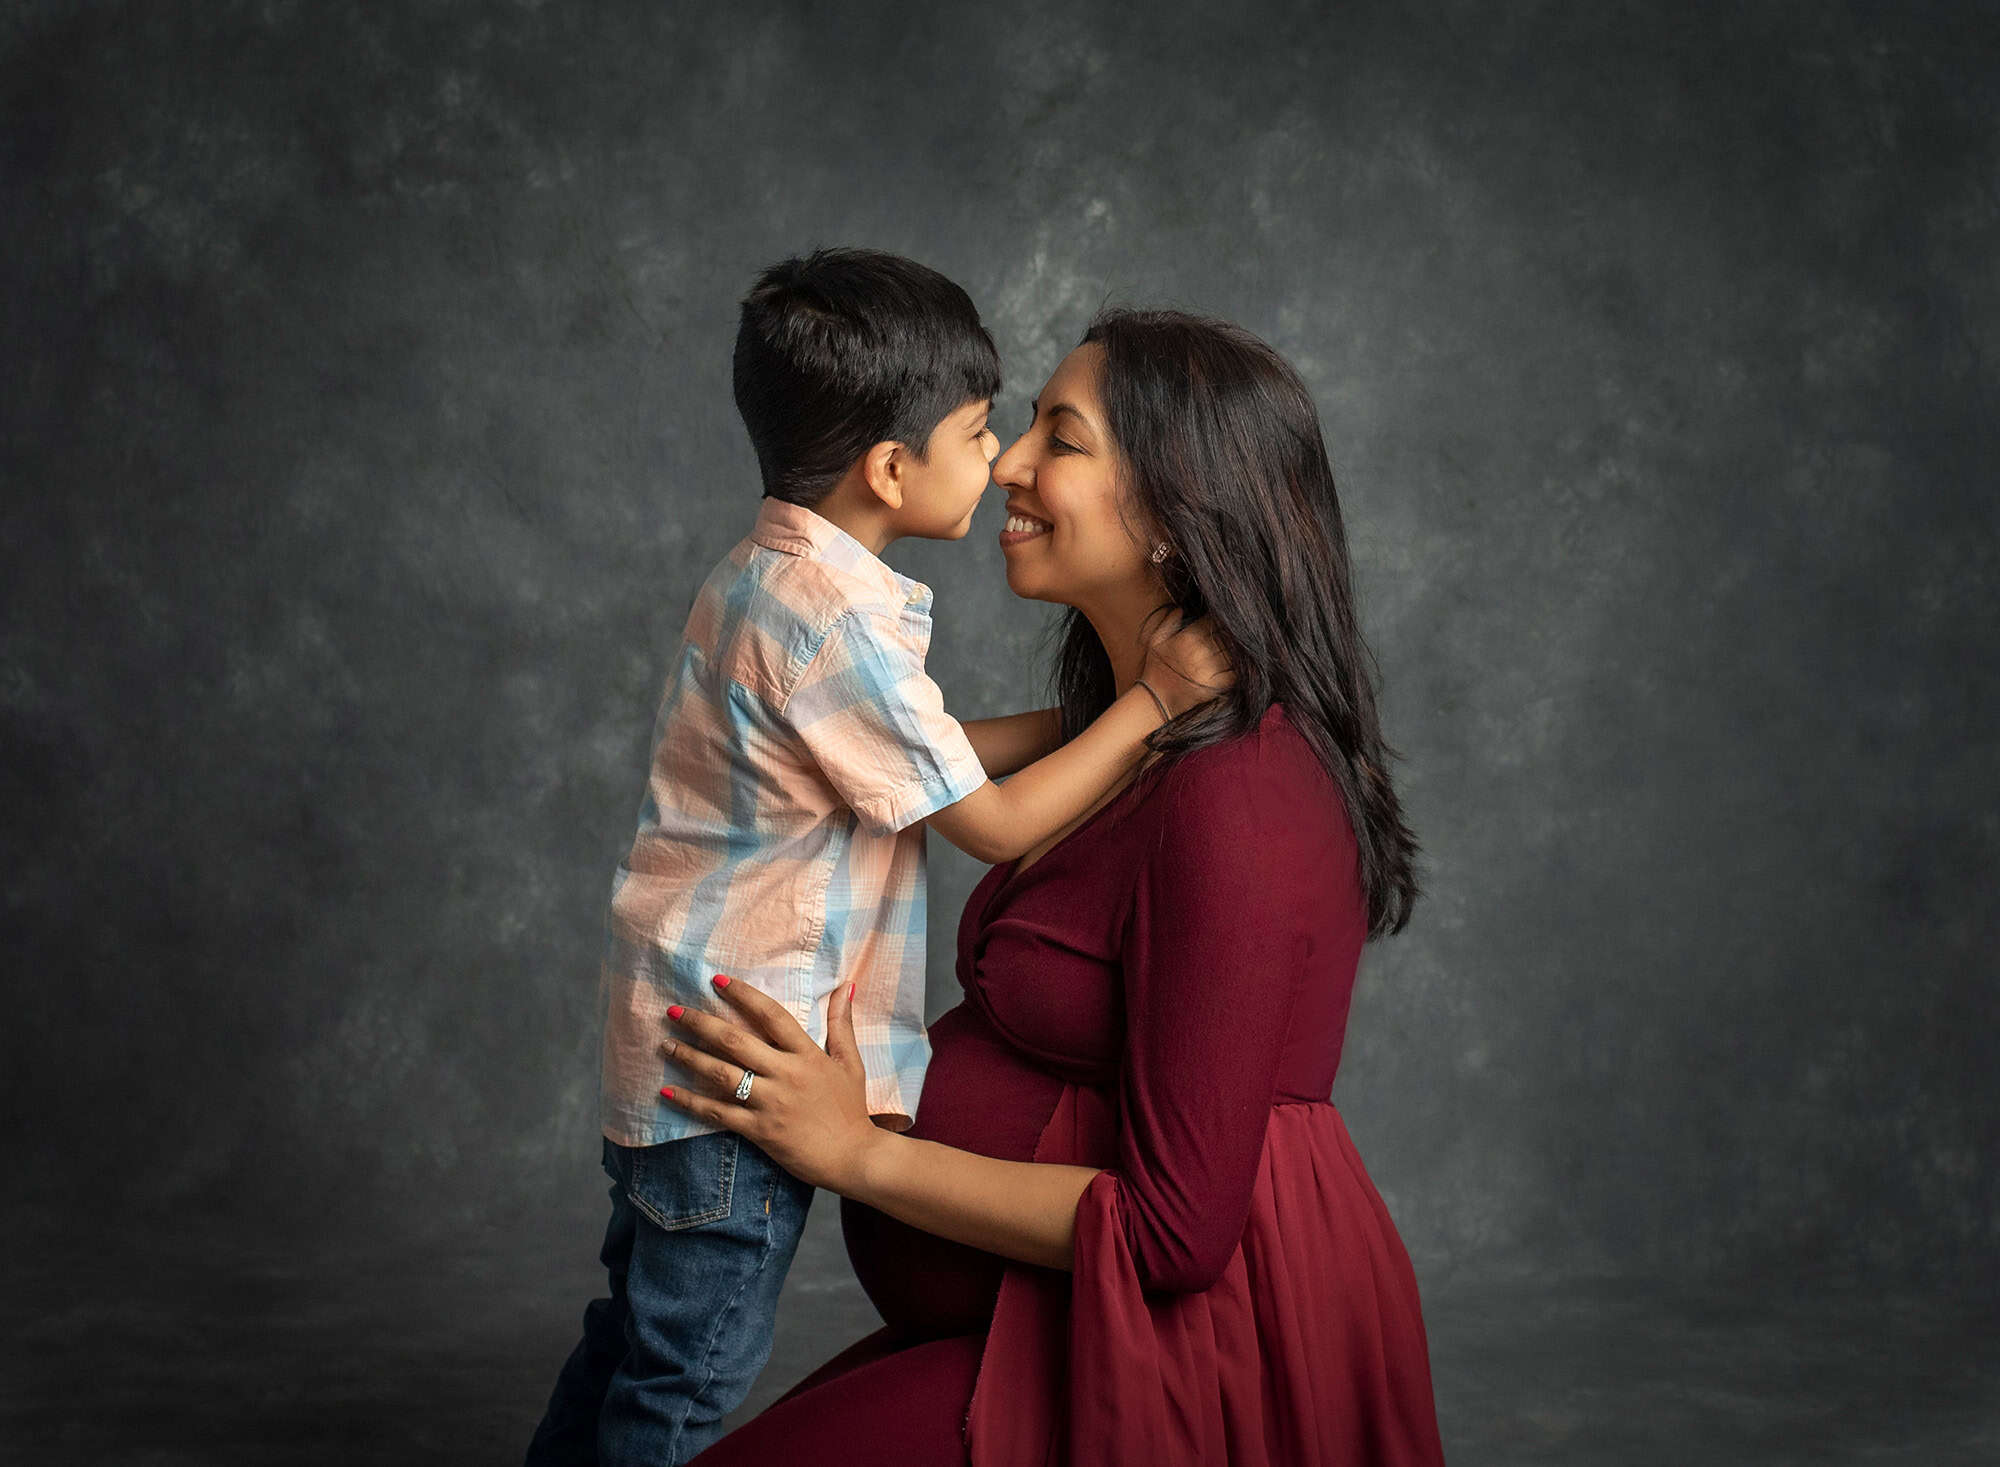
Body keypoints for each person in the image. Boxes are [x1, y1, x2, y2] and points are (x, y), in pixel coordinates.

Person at [656, 309, 1448, 1465]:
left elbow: (1174, 1236)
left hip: (1179, 1356)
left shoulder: (1234, 791)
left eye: (1057, 438)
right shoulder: (1133, 746)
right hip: (1037, 1324)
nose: (1007, 464)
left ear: (1176, 516)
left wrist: (859, 1154)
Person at [524, 252, 1218, 1467]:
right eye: (975, 429)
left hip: (675, 1045)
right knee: (687, 1377)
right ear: (892, 470)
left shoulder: (768, 582)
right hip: (744, 1073)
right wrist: (1152, 703)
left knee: (629, 1338)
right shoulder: (833, 624)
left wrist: (1090, 715)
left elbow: (922, 756)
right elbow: (987, 819)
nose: (999, 455)